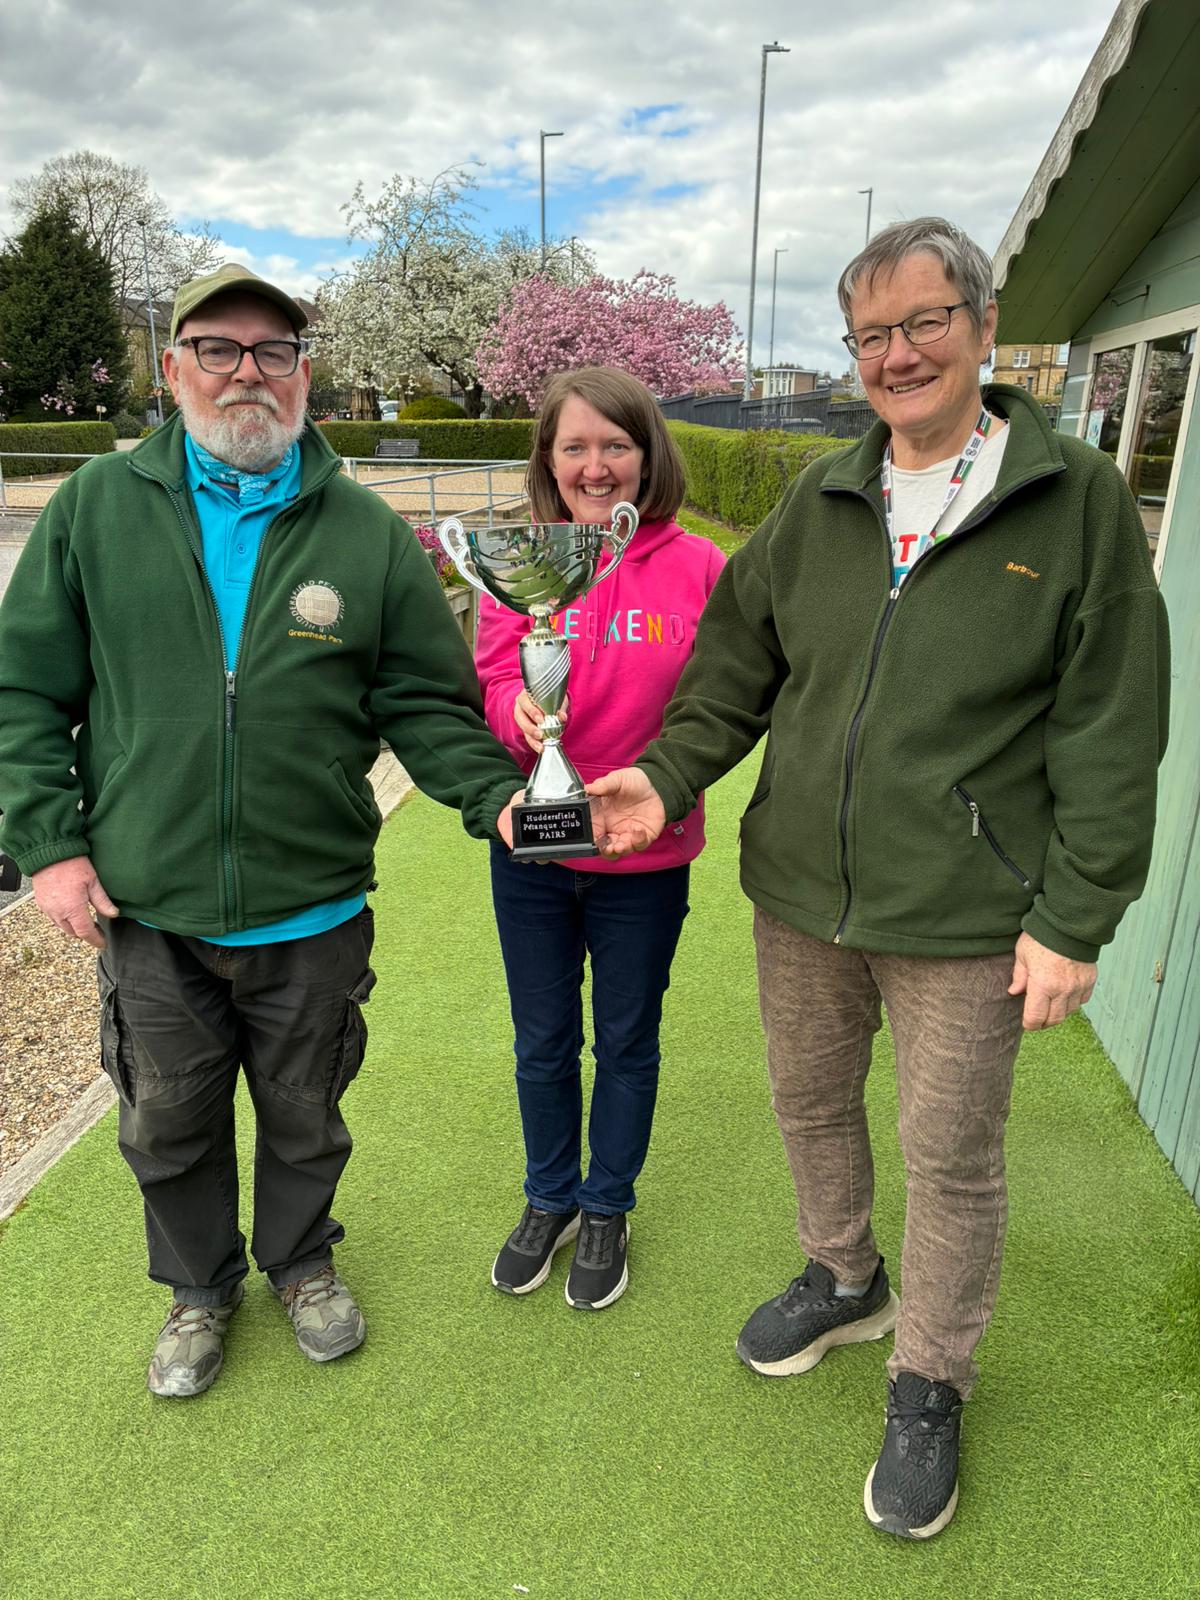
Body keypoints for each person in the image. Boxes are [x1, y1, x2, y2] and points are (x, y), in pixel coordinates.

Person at [587, 219, 1170, 1536]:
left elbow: (1111, 723)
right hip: (801, 895)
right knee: (809, 1104)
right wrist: (666, 777)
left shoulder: (1074, 498)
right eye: (869, 336)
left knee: (950, 1156)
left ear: (982, 324)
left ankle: (931, 1377)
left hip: (967, 913)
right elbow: (735, 664)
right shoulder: (824, 498)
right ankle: (844, 1276)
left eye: (922, 323)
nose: (896, 355)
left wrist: (1075, 917)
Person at [0, 265, 525, 1398]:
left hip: (311, 900)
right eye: (219, 347)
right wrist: (50, 846)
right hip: (150, 902)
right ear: (173, 365)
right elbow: (25, 691)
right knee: (166, 1120)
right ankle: (200, 1289)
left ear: (303, 371)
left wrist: (506, 798)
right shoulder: (95, 507)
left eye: (274, 350)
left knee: (305, 1112)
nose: (249, 371)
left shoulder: (366, 532)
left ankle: (300, 1261)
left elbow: (426, 704)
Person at [474, 367, 725, 1310]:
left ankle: (607, 1203)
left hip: (642, 856)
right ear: (548, 459)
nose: (595, 465)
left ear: (647, 454)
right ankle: (550, 1197)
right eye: (574, 446)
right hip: (534, 851)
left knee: (626, 1040)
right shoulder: (521, 559)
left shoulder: (699, 566)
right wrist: (517, 711)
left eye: (615, 444)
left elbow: (718, 704)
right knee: (541, 1041)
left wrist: (665, 786)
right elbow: (494, 675)